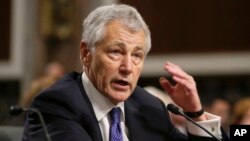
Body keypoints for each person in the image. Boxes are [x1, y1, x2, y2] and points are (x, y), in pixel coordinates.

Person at [22, 4, 229, 141]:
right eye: (115, 52)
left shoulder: (149, 107)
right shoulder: (57, 104)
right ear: (86, 53)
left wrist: (195, 113)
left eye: (137, 55)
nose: (128, 67)